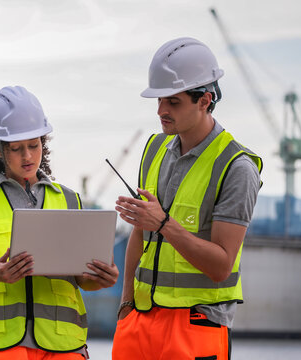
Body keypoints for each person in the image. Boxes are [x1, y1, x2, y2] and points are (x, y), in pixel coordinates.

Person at [111, 37, 263, 360]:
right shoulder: (153, 150)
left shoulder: (237, 168)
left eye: (173, 102)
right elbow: (139, 233)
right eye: (159, 100)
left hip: (196, 330)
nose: (161, 110)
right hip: (139, 323)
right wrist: (126, 304)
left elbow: (221, 266)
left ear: (205, 100)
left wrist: (163, 224)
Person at [0, 85, 119, 360]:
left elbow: (82, 281)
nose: (28, 156)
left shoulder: (70, 200)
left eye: (34, 145)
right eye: (16, 148)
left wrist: (101, 278)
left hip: (64, 346)